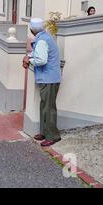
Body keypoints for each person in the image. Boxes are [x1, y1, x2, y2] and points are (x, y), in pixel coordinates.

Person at [23, 18, 62, 147]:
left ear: (31, 30)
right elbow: (36, 54)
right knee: (45, 106)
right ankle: (45, 132)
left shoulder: (42, 41)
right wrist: (28, 57)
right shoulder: (45, 37)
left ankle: (52, 136)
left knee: (48, 108)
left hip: (49, 78)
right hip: (49, 78)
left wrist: (29, 61)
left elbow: (41, 60)